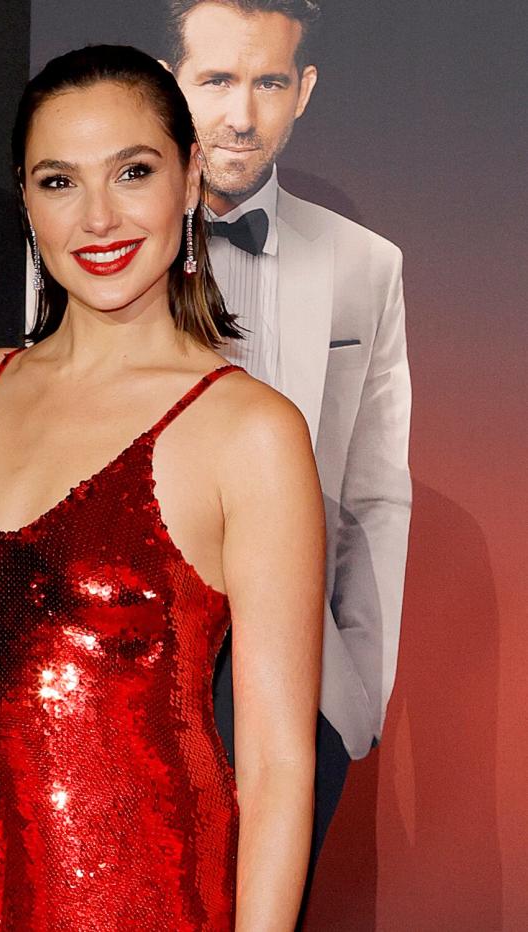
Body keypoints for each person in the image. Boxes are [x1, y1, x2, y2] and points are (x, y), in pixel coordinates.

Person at [0, 45, 323, 931]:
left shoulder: (249, 433)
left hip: (146, 904)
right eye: (58, 182)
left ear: (191, 174)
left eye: (133, 171)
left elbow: (280, 763)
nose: (98, 218)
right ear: (25, 201)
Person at [164, 0, 412, 874]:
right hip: (130, 682)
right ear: (170, 83)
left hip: (303, 693)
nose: (242, 114)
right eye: (217, 80)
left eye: (269, 81)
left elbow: (379, 489)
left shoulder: (364, 265)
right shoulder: (96, 247)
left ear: (304, 90)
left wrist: (358, 696)